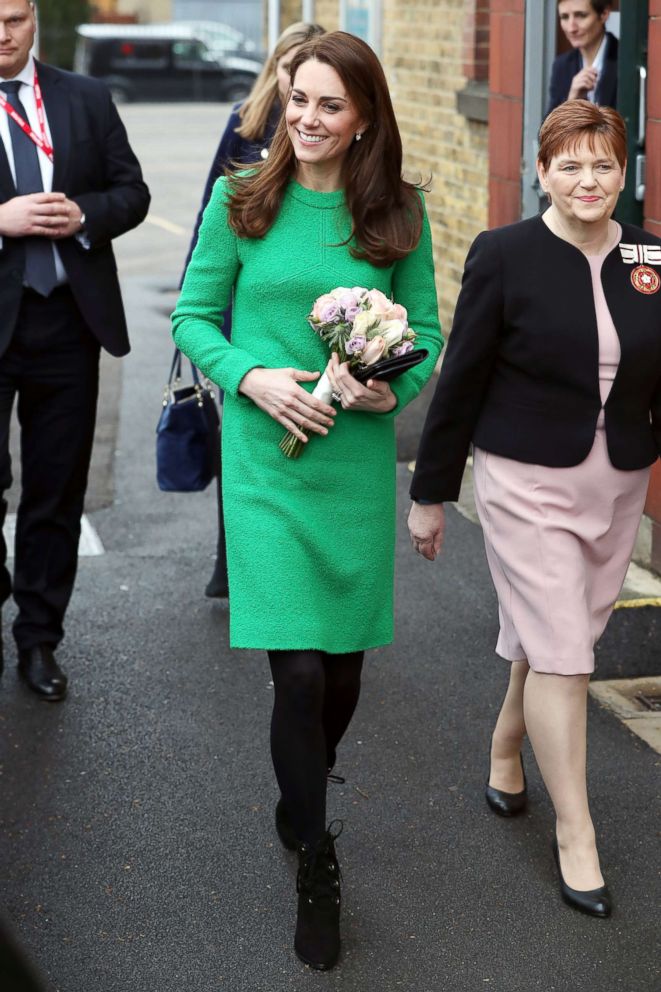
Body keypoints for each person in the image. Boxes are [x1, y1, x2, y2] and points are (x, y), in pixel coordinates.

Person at [173, 31, 442, 970]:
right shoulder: (241, 199)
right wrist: (251, 380)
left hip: (352, 469)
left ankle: (303, 791)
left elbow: (428, 336)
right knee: (294, 674)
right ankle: (318, 863)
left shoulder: (397, 214)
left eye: (330, 104)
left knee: (340, 677)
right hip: (265, 468)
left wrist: (388, 391)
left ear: (364, 114)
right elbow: (193, 319)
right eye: (298, 100)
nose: (309, 118)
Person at [408, 101, 661, 920]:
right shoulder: (505, 254)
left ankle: (506, 743)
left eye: (604, 165)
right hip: (523, 477)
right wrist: (430, 494)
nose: (588, 180)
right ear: (541, 170)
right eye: (570, 164)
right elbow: (461, 379)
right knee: (564, 652)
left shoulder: (653, 254)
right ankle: (575, 833)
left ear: (623, 172)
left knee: (564, 638)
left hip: (616, 477)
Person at [0, 0, 150, 700]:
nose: (2, 34)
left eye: (14, 18)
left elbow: (134, 192)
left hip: (67, 324)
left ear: (34, 19)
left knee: (56, 494)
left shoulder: (85, 97)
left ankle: (38, 640)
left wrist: (87, 214)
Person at [181, 21, 325, 600]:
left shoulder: (329, 132)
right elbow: (208, 214)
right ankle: (232, 556)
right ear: (278, 68)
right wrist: (203, 309)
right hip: (243, 308)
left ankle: (299, 558)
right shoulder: (247, 120)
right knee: (241, 436)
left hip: (306, 312)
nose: (297, 78)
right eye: (289, 65)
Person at [547, 0, 617, 114]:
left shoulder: (624, 60)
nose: (571, 28)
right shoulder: (562, 65)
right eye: (564, 17)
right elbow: (547, 131)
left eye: (581, 16)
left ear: (604, 14)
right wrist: (571, 102)